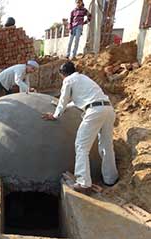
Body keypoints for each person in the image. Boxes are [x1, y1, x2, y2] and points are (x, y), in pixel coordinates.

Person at [42, 61, 119, 193]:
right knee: (106, 146)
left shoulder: (68, 80)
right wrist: (66, 106)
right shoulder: (83, 78)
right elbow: (84, 99)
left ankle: (83, 182)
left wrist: (56, 115)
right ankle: (111, 179)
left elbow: (64, 99)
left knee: (81, 146)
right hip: (108, 109)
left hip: (94, 112)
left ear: (62, 74)